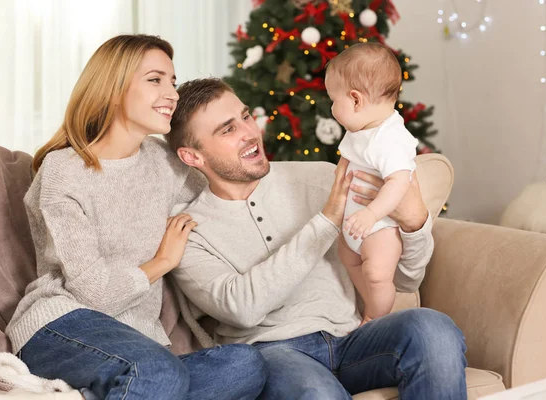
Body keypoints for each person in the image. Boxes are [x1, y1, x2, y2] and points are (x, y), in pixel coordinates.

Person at [168, 77, 467, 399]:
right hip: (274, 353)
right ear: (192, 157)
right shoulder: (189, 229)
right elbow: (241, 309)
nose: (250, 133)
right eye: (228, 130)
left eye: (246, 116)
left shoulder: (323, 177)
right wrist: (326, 221)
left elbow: (405, 280)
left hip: (355, 338)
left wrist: (414, 223)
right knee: (317, 393)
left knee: (431, 328)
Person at [5, 35, 267, 400]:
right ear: (113, 88)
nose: (172, 93)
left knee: (245, 364)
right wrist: (162, 262)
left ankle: (123, 391)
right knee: (157, 371)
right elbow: (94, 293)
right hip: (61, 325)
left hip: (140, 344)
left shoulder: (165, 163)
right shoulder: (64, 170)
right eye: (155, 79)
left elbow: (225, 192)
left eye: (173, 81)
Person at [325, 42, 419, 325]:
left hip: (380, 227)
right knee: (349, 258)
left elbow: (398, 182)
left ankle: (374, 317)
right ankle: (370, 304)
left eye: (333, 100)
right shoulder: (362, 129)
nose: (331, 108)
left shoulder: (390, 138)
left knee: (377, 275)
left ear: (355, 100)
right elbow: (350, 161)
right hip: (356, 224)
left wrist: (372, 214)